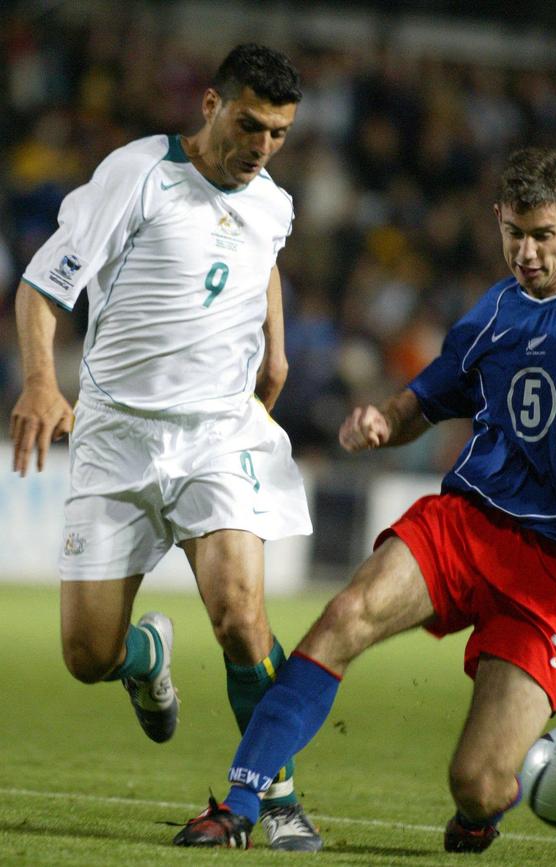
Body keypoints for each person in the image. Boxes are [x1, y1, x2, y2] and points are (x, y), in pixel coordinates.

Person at [169, 146, 556, 853]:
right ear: (497, 221)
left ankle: (483, 810)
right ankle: (240, 803)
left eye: (543, 235)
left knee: (477, 782)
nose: (526, 252)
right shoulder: (494, 312)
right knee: (345, 615)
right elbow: (425, 398)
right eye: (513, 233)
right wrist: (383, 422)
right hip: (471, 521)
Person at [10, 43, 323, 852]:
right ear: (213, 103)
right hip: (116, 437)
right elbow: (44, 285)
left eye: (280, 134)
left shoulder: (271, 199)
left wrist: (276, 346)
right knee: (87, 655)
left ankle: (276, 797)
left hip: (218, 436)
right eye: (251, 125)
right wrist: (43, 381)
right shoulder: (140, 173)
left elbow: (267, 257)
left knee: (241, 618)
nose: (262, 147)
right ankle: (145, 653)